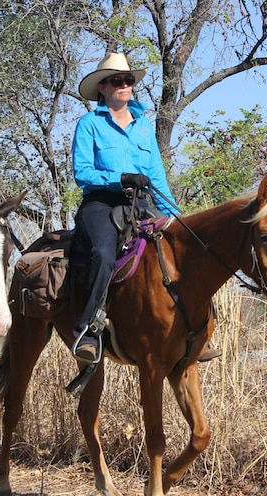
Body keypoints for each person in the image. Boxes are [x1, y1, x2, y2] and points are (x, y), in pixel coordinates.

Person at [70, 53, 182, 363]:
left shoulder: (144, 127)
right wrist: (120, 179)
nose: (125, 85)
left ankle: (191, 330)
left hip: (143, 205)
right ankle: (87, 331)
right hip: (102, 204)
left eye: (128, 80)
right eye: (117, 81)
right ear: (102, 88)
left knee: (182, 252)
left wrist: (175, 218)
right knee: (103, 255)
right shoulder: (89, 124)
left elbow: (157, 175)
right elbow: (82, 173)